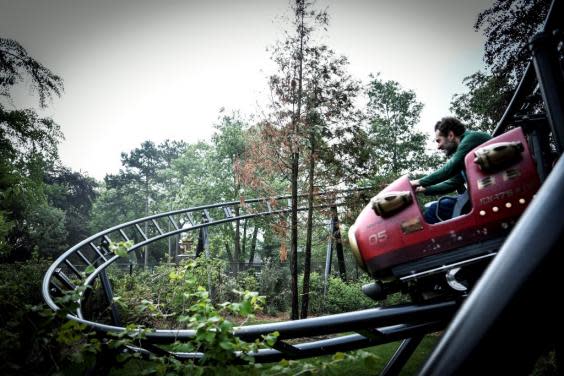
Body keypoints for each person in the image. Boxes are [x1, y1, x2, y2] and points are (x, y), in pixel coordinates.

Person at [411, 117, 491, 224]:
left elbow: (449, 168)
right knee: (434, 208)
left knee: (434, 211)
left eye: (439, 141)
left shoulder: (470, 139)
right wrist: (425, 189)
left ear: (450, 135)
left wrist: (417, 182)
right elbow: (453, 182)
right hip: (481, 194)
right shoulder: (464, 152)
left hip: (488, 194)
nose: (438, 147)